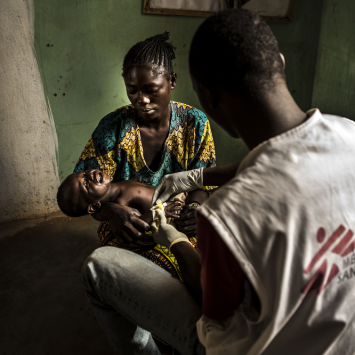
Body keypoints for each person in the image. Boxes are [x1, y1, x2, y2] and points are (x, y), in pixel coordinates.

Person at [82, 8, 355, 355]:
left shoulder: (227, 213)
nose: (142, 99)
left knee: (98, 268)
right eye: (132, 90)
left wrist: (177, 237)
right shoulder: (350, 134)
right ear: (280, 63)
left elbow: (214, 309)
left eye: (151, 88)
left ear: (205, 97)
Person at [57, 168, 195, 280]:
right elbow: (138, 224)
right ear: (93, 207)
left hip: (175, 197)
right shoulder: (121, 206)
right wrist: (160, 210)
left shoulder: (115, 188)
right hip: (170, 213)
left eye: (85, 173)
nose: (90, 175)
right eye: (86, 184)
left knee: (200, 192)